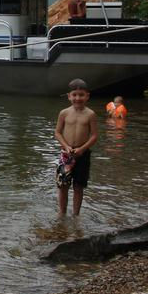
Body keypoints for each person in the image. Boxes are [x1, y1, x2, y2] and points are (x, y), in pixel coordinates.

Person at [54, 78, 98, 216]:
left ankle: (75, 215)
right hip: (66, 154)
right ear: (69, 96)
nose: (77, 98)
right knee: (63, 186)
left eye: (81, 95)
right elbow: (57, 132)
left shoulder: (90, 114)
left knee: (79, 186)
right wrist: (66, 146)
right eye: (74, 95)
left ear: (87, 96)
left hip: (82, 154)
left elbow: (94, 135)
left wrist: (82, 149)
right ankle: (61, 214)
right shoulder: (64, 113)